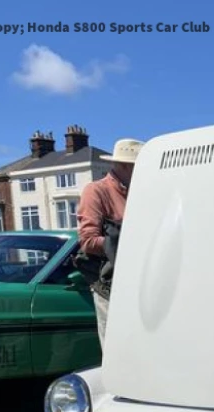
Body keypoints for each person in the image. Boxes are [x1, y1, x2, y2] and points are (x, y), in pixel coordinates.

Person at [76, 138, 144, 348]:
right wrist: (126, 242)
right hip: (110, 287)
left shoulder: (141, 192)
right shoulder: (96, 191)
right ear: (124, 166)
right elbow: (87, 241)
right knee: (116, 349)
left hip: (141, 283)